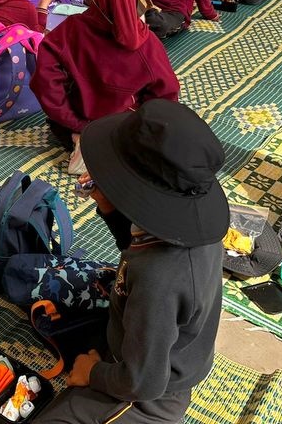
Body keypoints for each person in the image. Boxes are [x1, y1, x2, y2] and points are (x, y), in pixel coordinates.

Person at [34, 100, 229, 424]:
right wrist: (110, 209)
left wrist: (93, 373)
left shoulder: (159, 277)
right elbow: (134, 248)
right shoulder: (183, 221)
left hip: (152, 395)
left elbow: (144, 383)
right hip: (141, 341)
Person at [31, 0, 179, 152]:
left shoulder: (69, 31)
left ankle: (81, 141)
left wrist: (78, 125)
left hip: (70, 128)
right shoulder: (149, 46)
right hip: (121, 135)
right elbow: (165, 101)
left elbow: (45, 85)